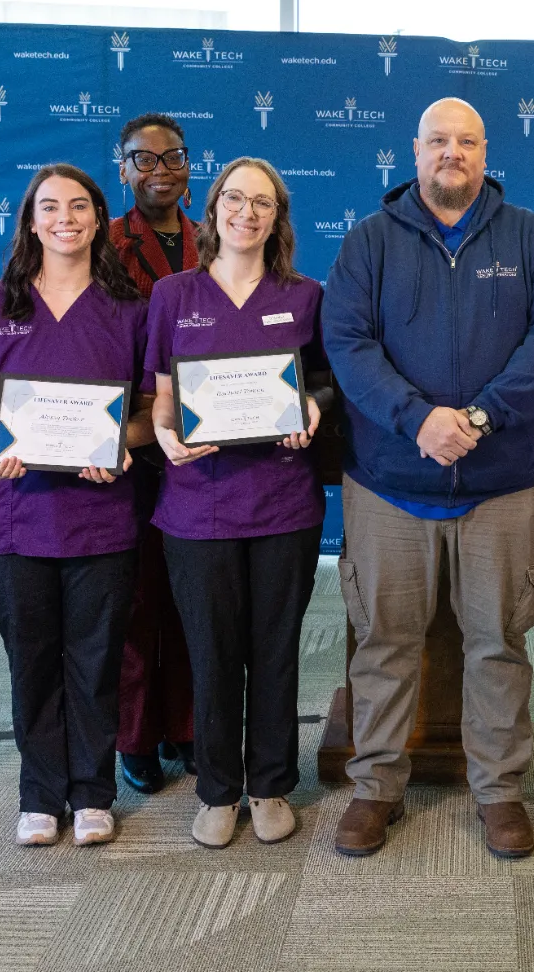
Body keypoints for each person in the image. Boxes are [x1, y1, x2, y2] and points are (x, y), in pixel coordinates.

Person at [321, 97, 534, 860]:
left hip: (503, 485)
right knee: (384, 642)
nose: (452, 153)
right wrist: (418, 418)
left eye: (467, 141)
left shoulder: (530, 238)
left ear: (485, 149)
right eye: (438, 141)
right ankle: (376, 789)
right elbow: (347, 340)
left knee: (498, 643)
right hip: (390, 482)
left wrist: (481, 417)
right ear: (415, 150)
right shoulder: (369, 242)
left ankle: (498, 791)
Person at [0, 164, 155, 848]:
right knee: (31, 659)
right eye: (50, 207)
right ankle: (40, 794)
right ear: (30, 221)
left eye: (79, 206)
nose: (65, 217)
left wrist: (122, 442)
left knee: (97, 658)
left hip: (101, 516)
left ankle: (93, 791)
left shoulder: (130, 310)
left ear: (98, 218)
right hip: (15, 517)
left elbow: (154, 411)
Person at [145, 157, 333, 849]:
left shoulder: (305, 295)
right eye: (234, 198)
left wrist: (311, 408)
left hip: (284, 502)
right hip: (196, 506)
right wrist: (166, 437)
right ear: (213, 207)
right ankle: (219, 790)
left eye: (262, 202)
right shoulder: (173, 294)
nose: (246, 212)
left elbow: (323, 384)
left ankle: (272, 785)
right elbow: (162, 394)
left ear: (277, 217)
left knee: (276, 649)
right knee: (213, 651)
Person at [110, 112, 199, 793]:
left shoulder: (218, 239)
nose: (160, 169)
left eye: (173, 157)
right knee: (137, 602)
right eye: (145, 159)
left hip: (206, 449)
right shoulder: (103, 245)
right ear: (123, 169)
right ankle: (136, 735)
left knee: (193, 598)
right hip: (130, 445)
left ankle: (189, 727)